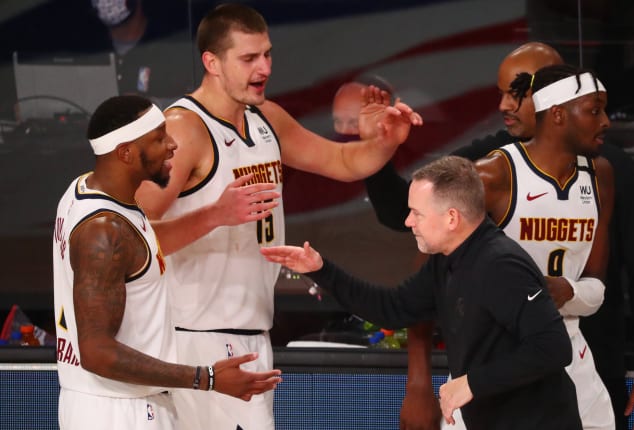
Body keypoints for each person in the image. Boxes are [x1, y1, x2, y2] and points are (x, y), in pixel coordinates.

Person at [134, 4, 422, 429]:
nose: (264, 67)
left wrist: (385, 144)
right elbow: (130, 236)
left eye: (267, 54)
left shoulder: (265, 117)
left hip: (252, 333)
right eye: (249, 58)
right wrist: (213, 215)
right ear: (211, 62)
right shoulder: (184, 129)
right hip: (193, 341)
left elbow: (342, 161)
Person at [366, 43, 634, 430]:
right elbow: (417, 241)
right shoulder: (490, 168)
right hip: (497, 369)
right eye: (502, 92)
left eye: (518, 90)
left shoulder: (606, 171)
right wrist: (419, 382)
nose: (505, 104)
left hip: (583, 357)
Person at [261, 155, 583, 430]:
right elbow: (392, 308)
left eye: (416, 213)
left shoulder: (501, 265)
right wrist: (321, 269)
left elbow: (553, 348)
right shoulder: (445, 260)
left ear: (451, 218)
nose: (408, 221)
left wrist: (472, 383)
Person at [52, 95, 282, 430]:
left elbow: (141, 248)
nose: (173, 145)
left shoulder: (85, 192)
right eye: (159, 138)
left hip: (117, 403)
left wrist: (214, 215)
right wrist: (207, 378)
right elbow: (97, 351)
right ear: (125, 152)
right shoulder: (104, 232)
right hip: (119, 411)